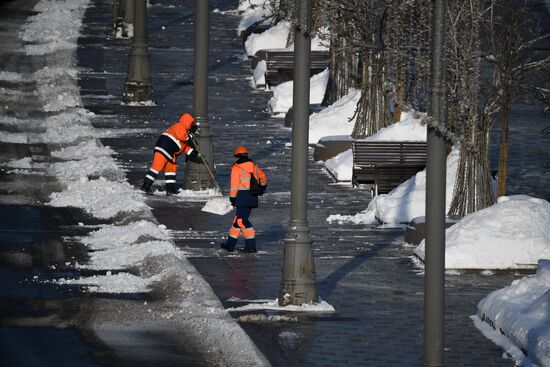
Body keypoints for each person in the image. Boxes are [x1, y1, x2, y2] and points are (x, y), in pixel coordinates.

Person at [140, 113, 202, 195]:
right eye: (190, 124)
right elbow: (183, 136)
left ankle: (170, 189)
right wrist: (190, 136)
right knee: (157, 166)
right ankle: (145, 186)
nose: (190, 127)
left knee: (171, 170)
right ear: (186, 122)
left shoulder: (185, 137)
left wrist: (196, 154)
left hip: (170, 153)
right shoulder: (179, 126)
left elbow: (186, 148)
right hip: (163, 148)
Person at [220, 146, 267, 253]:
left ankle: (251, 246)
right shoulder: (254, 166)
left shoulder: (237, 168)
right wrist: (262, 188)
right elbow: (263, 177)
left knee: (242, 221)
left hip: (242, 197)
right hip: (252, 197)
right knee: (237, 220)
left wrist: (232, 198)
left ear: (237, 156)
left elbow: (234, 185)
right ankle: (230, 245)